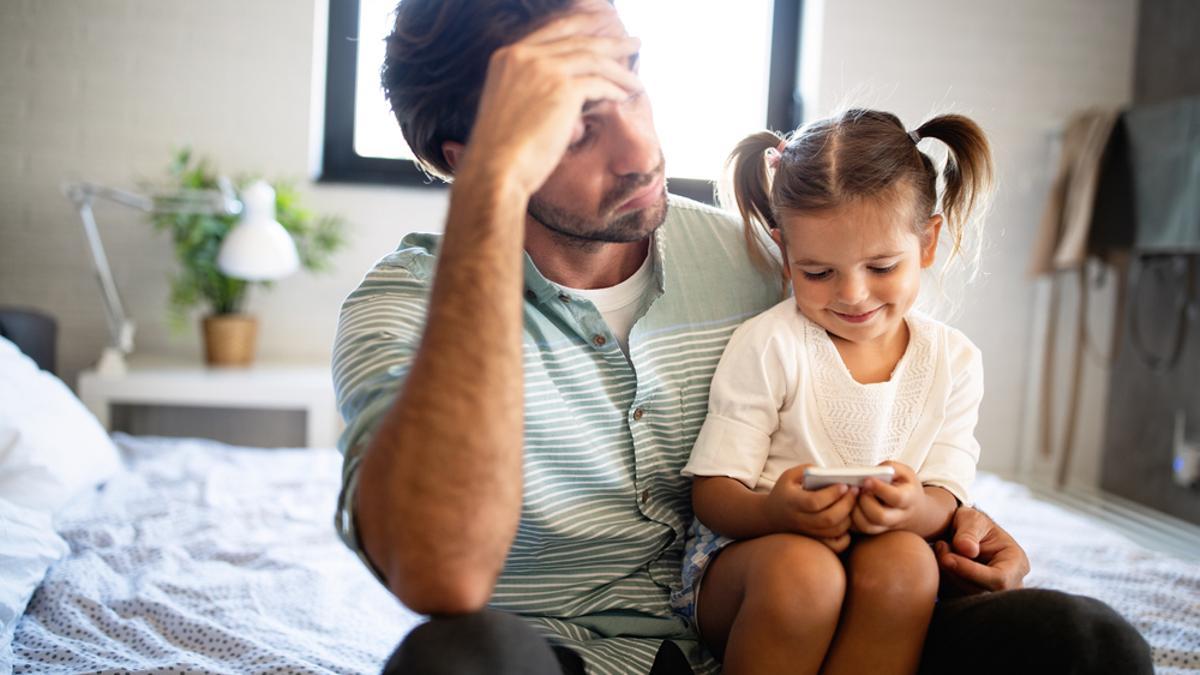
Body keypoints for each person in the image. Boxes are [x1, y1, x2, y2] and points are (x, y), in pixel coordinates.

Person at [330, 0, 1155, 673]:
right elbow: (438, 570)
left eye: (631, 77)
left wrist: (958, 524)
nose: (641, 149)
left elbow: (888, 416)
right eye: (575, 126)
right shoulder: (405, 309)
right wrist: (489, 194)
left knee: (1089, 647)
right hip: (561, 655)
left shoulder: (772, 264)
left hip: (803, 635)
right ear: (470, 157)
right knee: (458, 662)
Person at [677, 110, 991, 674]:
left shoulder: (954, 360)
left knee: (908, 565)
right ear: (784, 251)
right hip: (753, 563)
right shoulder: (770, 344)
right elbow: (714, 493)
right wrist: (776, 511)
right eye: (818, 273)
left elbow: (947, 497)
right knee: (805, 572)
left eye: (881, 266)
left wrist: (913, 508)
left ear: (927, 241)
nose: (852, 294)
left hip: (875, 561)